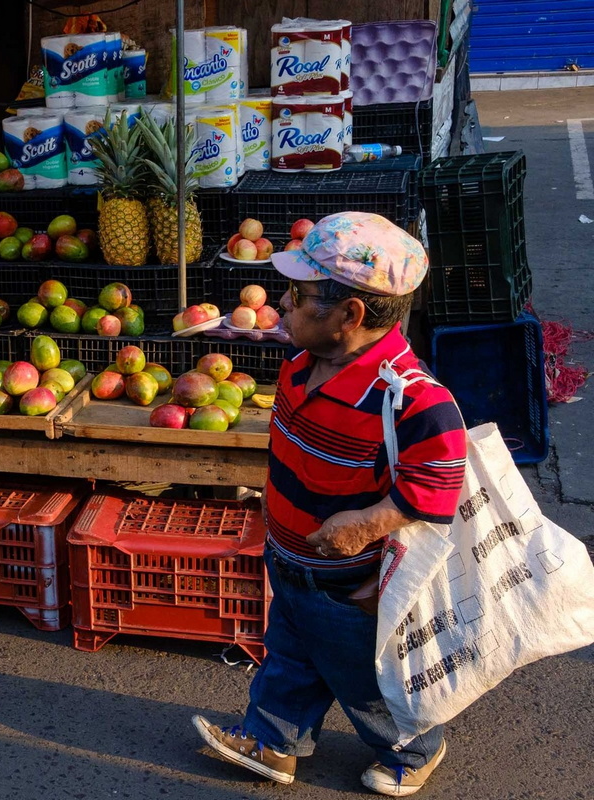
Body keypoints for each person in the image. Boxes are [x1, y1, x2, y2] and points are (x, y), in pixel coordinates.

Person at [191, 212, 468, 796]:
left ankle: (415, 746)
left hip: (349, 581)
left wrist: (369, 522)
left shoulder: (411, 398)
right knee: (287, 653)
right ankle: (273, 743)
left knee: (359, 676)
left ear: (351, 313)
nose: (284, 306)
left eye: (299, 296)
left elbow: (439, 482)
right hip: (287, 557)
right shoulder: (298, 365)